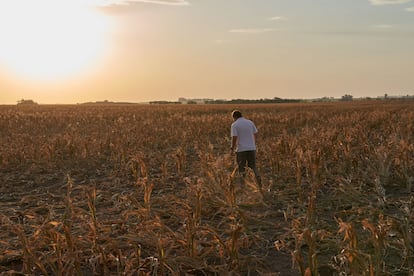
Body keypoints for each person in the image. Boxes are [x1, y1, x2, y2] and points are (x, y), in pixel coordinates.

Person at [230, 110, 261, 186]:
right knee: (253, 166)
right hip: (252, 148)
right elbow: (256, 134)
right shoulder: (250, 122)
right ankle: (258, 180)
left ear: (234, 117)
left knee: (241, 167)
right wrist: (253, 143)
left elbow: (234, 137)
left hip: (241, 149)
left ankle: (242, 184)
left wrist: (232, 148)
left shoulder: (234, 125)